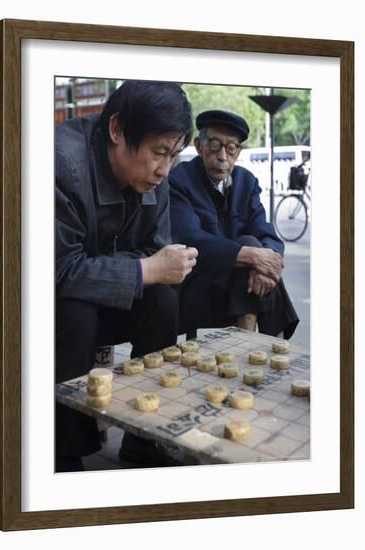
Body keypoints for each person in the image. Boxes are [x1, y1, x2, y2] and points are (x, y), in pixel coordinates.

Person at [55, 80, 197, 471]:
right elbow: (56, 270)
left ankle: (144, 437)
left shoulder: (157, 176)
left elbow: (154, 248)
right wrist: (142, 268)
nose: (164, 169)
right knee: (75, 311)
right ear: (116, 131)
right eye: (157, 152)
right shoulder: (59, 161)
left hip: (106, 297)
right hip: (47, 308)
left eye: (173, 154)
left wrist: (147, 268)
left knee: (163, 298)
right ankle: (60, 452)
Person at [169, 109, 299, 339]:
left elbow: (267, 234)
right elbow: (190, 238)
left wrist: (269, 264)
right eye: (215, 145)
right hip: (198, 287)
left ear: (238, 152)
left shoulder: (246, 182)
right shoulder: (180, 180)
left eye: (231, 148)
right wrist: (250, 256)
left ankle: (254, 345)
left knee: (256, 253)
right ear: (199, 146)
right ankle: (274, 347)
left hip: (244, 287)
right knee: (249, 250)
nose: (222, 156)